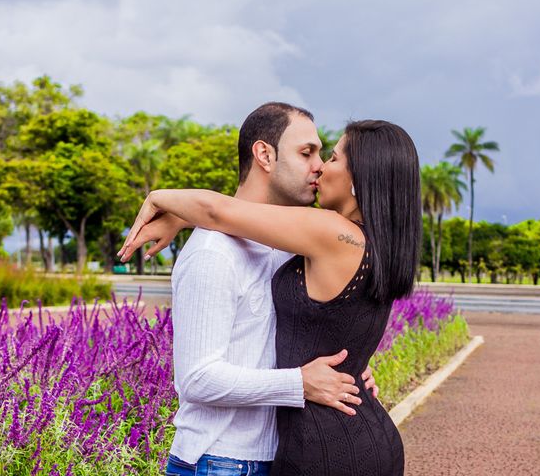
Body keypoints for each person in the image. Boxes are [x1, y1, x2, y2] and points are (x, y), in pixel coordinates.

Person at [119, 103, 382, 476]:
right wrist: (299, 383)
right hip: (219, 462)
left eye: (323, 154)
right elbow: (197, 379)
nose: (320, 165)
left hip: (274, 458)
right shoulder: (214, 252)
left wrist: (352, 367)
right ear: (264, 155)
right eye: (307, 152)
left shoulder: (290, 246)